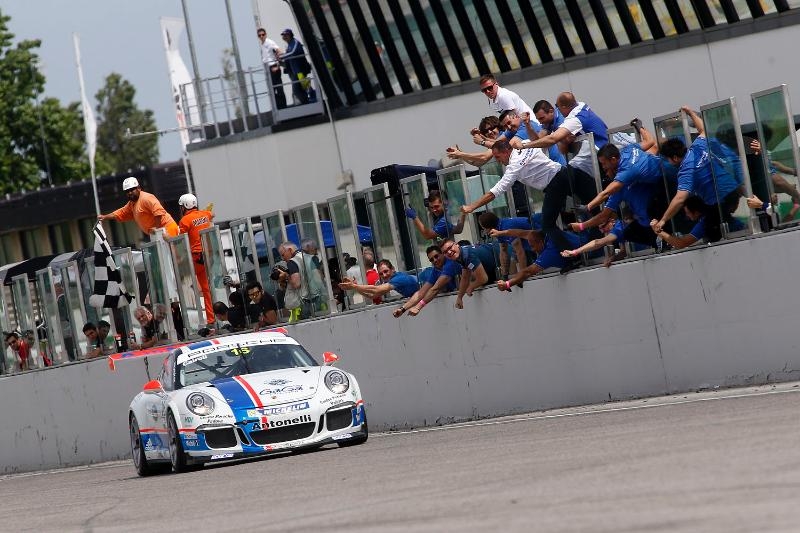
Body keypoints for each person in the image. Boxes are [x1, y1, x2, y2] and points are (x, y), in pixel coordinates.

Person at [461, 139, 597, 269]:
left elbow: (493, 193)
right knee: (593, 205)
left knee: (547, 225)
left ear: (506, 152)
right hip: (565, 172)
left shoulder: (513, 166)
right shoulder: (524, 144)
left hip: (555, 184)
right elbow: (521, 141)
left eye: (497, 157)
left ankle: (572, 257)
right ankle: (597, 242)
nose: (498, 161)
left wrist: (472, 207)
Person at [651, 107, 744, 243]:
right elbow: (703, 130)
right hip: (733, 191)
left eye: (669, 159)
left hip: (718, 201)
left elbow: (680, 199)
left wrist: (663, 220)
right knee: (728, 222)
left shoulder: (685, 170)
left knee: (713, 234)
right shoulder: (697, 146)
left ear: (675, 158)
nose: (669, 162)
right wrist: (690, 112)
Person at [519, 92, 609, 184]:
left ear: (551, 111)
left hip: (598, 151)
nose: (541, 123)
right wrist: (527, 124)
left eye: (542, 118)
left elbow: (555, 142)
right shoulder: (578, 107)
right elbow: (538, 141)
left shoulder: (571, 119)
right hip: (593, 152)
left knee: (569, 175)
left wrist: (524, 146)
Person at [494, 229, 582, 291]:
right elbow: (521, 233)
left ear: (540, 242)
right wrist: (500, 233)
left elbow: (528, 272)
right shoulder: (545, 233)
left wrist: (507, 284)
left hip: (587, 254)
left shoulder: (549, 253)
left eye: (532, 246)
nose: (532, 250)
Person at [177, 193, 215, 326]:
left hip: (196, 257)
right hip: (208, 256)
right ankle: (211, 319)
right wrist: (205, 215)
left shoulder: (184, 221)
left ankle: (197, 320)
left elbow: (179, 238)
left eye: (182, 207)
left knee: (177, 278)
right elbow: (212, 215)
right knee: (206, 288)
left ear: (185, 206)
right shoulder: (205, 214)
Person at [98, 177, 179, 237]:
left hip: (167, 229)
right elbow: (120, 213)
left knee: (173, 256)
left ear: (139, 188)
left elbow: (158, 212)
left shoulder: (146, 198)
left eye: (132, 189)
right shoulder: (132, 203)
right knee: (167, 257)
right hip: (158, 233)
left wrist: (158, 231)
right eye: (127, 191)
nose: (129, 193)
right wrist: (105, 217)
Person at [393, 245, 460, 318]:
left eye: (436, 256)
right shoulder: (435, 270)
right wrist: (403, 309)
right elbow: (421, 293)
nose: (435, 260)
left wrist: (418, 307)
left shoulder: (449, 263)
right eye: (431, 260)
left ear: (442, 254)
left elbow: (435, 289)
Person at [440, 239, 497, 309]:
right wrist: (459, 298)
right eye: (445, 252)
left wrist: (471, 287)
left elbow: (483, 279)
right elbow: (465, 277)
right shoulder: (461, 254)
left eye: (450, 248)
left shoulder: (468, 255)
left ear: (456, 245)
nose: (449, 252)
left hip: (503, 254)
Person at [477, 211, 532, 277]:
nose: (485, 232)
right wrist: (504, 274)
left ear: (490, 227)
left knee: (515, 256)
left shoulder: (506, 227)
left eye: (484, 229)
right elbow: (503, 251)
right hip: (529, 243)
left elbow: (520, 252)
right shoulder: (499, 229)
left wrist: (522, 275)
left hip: (538, 234)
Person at [338, 259, 417, 302]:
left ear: (392, 269)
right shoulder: (392, 280)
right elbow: (372, 296)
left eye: (386, 271)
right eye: (381, 274)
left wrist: (354, 286)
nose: (384, 275)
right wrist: (354, 287)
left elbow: (376, 290)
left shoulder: (398, 279)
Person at [280, 29, 314, 105]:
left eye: (286, 35)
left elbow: (293, 52)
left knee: (298, 89)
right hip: (296, 71)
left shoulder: (295, 42)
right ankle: (308, 99)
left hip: (300, 70)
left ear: (291, 35)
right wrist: (281, 61)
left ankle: (307, 102)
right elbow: (288, 57)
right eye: (283, 36)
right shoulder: (288, 45)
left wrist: (282, 56)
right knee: (303, 87)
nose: (285, 37)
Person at [258, 27, 286, 109]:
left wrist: (277, 65)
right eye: (259, 35)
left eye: (263, 34)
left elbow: (279, 51)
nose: (261, 36)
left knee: (279, 88)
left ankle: (283, 107)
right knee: (272, 90)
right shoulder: (262, 44)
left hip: (273, 67)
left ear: (265, 34)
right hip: (268, 69)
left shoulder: (269, 42)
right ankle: (278, 108)